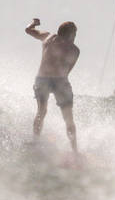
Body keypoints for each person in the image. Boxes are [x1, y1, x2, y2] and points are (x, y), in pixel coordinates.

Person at [25, 18, 79, 152]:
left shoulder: (48, 37)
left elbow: (28, 30)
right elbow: (67, 71)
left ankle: (35, 142)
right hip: (60, 81)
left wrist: (33, 23)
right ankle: (74, 151)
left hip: (43, 79)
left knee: (41, 111)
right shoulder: (74, 50)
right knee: (68, 118)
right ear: (71, 35)